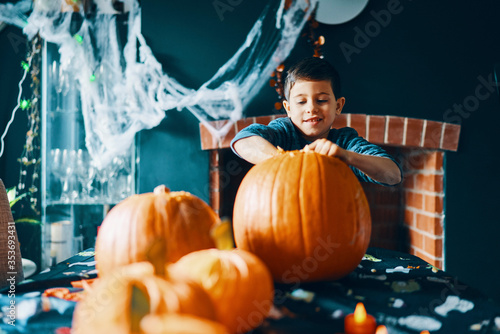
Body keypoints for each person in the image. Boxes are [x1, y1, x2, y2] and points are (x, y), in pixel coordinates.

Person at [230, 57, 402, 186]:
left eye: (321, 100)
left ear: (338, 105)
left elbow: (393, 175)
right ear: (288, 108)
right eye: (301, 102)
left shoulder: (345, 142)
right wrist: (285, 160)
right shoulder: (283, 131)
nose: (311, 108)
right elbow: (243, 140)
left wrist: (347, 156)